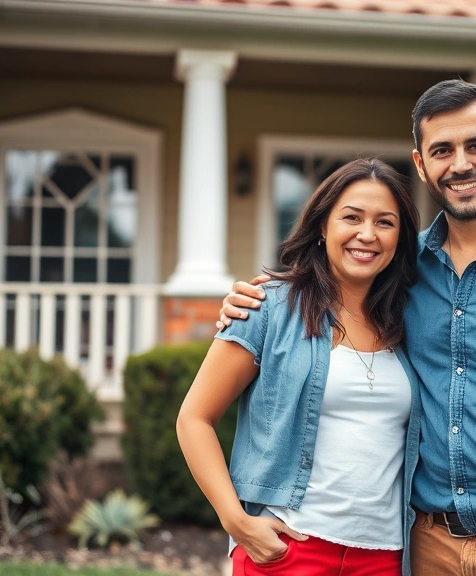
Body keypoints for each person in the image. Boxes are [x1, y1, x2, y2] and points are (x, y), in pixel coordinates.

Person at [218, 79, 476, 576]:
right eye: (442, 150)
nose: (460, 164)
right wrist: (256, 300)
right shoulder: (402, 267)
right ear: (421, 164)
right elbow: (336, 296)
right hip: (423, 544)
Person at [177, 158, 424, 576]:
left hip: (384, 555)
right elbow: (194, 418)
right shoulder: (269, 307)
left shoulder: (412, 318)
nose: (367, 234)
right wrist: (236, 520)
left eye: (385, 222)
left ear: (400, 238)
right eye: (352, 217)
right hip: (288, 549)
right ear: (323, 225)